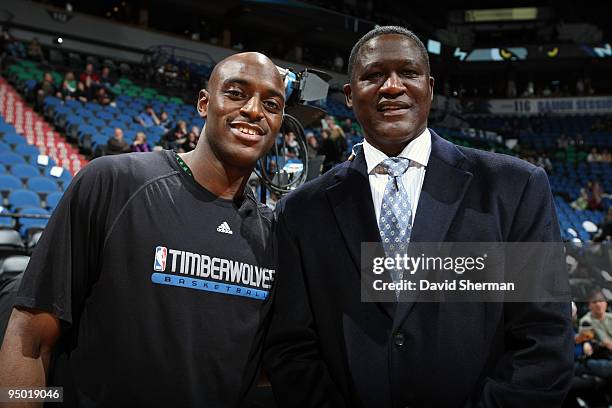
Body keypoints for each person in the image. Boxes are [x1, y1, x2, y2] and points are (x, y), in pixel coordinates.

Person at [264, 26, 573, 407]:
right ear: (349, 95)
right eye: (373, 75)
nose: (391, 87)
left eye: (407, 73)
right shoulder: (301, 210)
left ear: (429, 87)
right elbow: (292, 349)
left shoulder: (514, 187)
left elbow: (543, 339)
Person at [0, 51, 285, 406]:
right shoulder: (113, 182)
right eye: (236, 93)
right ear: (203, 103)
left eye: (271, 104)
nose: (255, 111)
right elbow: (30, 339)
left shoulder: (273, 233)